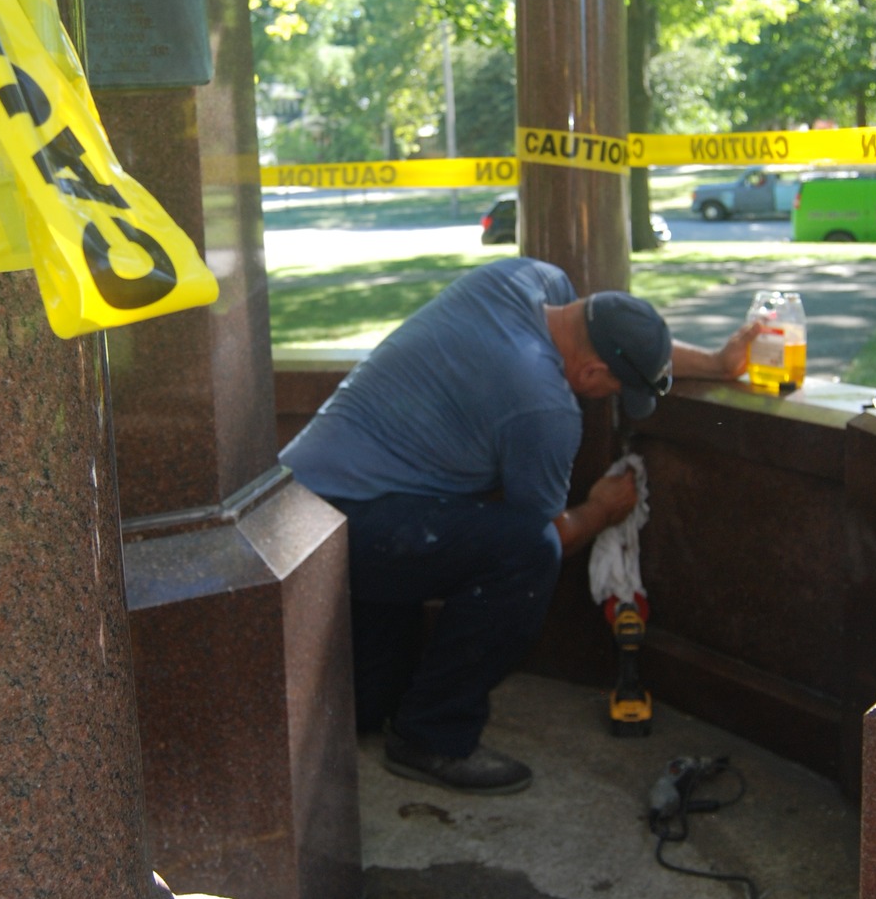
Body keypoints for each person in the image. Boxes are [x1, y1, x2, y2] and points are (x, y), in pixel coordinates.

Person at [280, 255, 754, 794]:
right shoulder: (544, 406)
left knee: (367, 707)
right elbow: (552, 533)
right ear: (593, 374)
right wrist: (601, 510)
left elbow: (613, 349)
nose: (612, 398)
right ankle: (432, 736)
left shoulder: (525, 278)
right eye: (618, 389)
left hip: (304, 497)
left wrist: (717, 364)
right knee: (526, 551)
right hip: (348, 525)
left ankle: (386, 703)